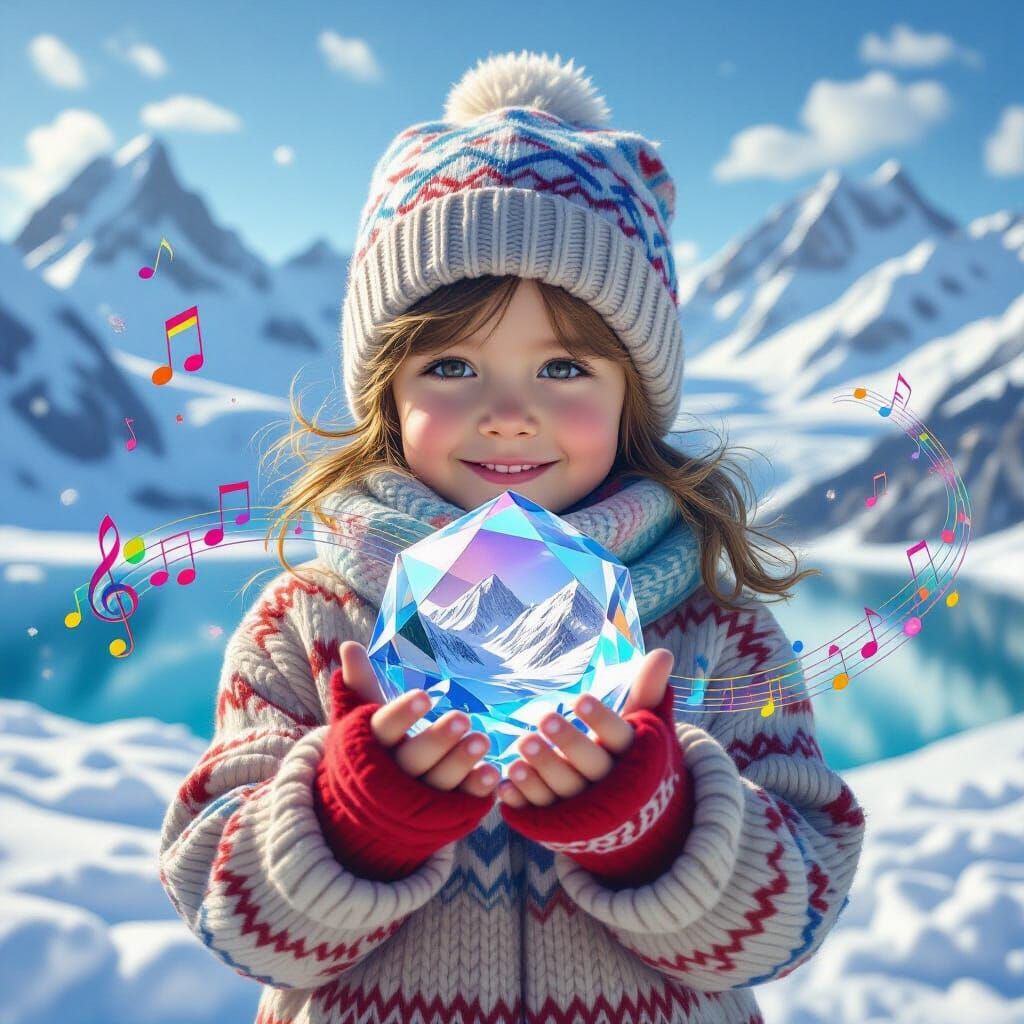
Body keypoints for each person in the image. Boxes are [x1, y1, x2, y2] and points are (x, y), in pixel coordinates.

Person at [159, 49, 865, 1024]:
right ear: (386, 395)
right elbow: (221, 906)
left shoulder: (714, 635)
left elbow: (798, 912)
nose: (506, 413)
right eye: (450, 364)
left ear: (634, 399)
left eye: (565, 368)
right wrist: (352, 820)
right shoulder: (311, 625)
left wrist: (651, 824)